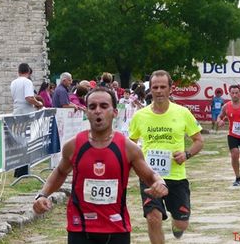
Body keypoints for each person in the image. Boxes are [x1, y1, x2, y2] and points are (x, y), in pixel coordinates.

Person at [33, 87, 168, 244]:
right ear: (86, 112)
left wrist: (160, 183)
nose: (98, 111)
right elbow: (60, 172)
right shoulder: (73, 145)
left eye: (104, 106)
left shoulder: (128, 148)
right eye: (92, 107)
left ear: (115, 112)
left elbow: (150, 175)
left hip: (116, 228)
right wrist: (42, 195)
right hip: (80, 228)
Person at [129, 70, 204, 243]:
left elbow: (199, 141)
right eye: (155, 87)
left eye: (163, 87)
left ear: (171, 88)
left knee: (181, 224)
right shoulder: (140, 116)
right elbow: (130, 144)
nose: (159, 91)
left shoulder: (183, 113)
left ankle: (177, 226)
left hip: (176, 177)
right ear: (150, 90)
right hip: (149, 176)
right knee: (153, 218)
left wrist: (186, 154)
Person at [11, 63, 43, 177]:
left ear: (18, 71)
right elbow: (28, 97)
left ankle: (18, 169)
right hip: (26, 114)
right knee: (26, 142)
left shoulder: (14, 82)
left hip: (16, 113)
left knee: (19, 142)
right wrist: (38, 103)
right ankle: (23, 171)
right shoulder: (27, 82)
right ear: (28, 71)